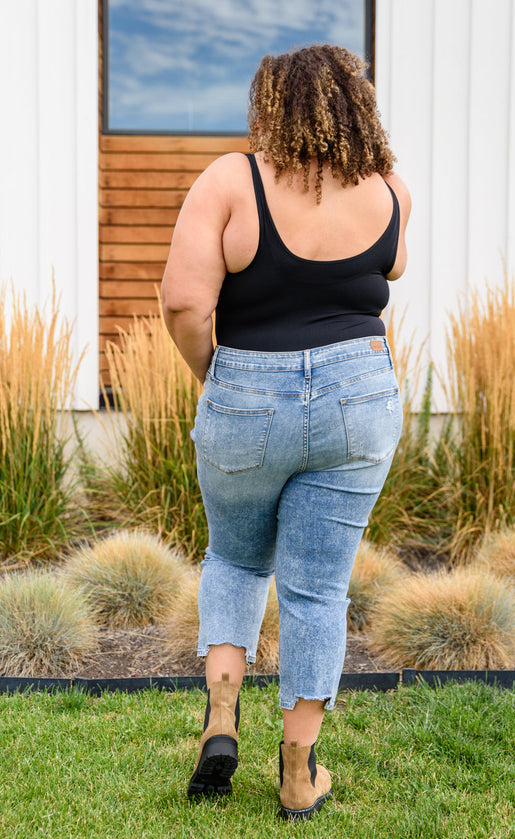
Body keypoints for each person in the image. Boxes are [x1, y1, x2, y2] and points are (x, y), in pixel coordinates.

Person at [161, 43, 411, 821]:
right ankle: (299, 775)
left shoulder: (231, 180)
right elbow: (388, 274)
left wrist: (220, 377)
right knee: (317, 587)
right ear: (353, 107)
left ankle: (222, 718)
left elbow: (182, 302)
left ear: (271, 105)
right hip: (359, 393)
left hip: (248, 392)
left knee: (236, 555)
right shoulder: (391, 190)